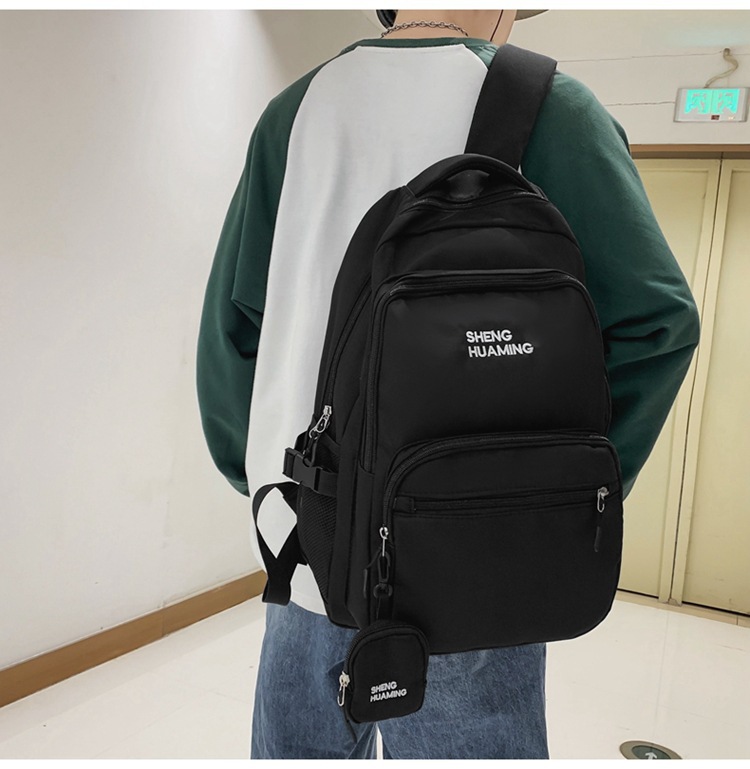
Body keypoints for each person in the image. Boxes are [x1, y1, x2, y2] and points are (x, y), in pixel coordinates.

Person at [196, 9, 700, 760]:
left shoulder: (294, 112)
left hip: (303, 543)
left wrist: (266, 476)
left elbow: (235, 331)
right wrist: (558, 495)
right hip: (470, 559)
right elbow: (656, 323)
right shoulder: (550, 108)